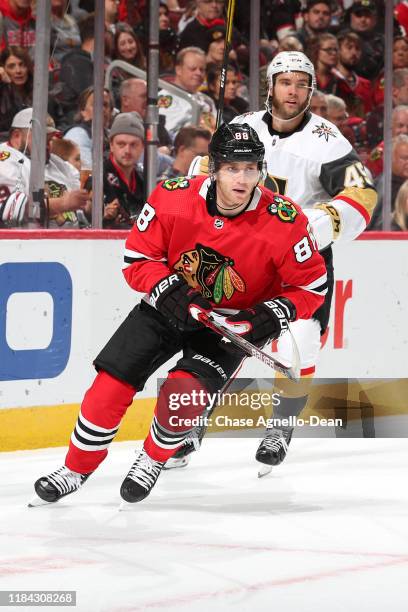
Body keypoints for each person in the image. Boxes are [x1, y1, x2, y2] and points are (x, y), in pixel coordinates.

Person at [31, 123, 327, 505]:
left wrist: (266, 317)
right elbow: (137, 258)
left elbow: (312, 286)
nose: (242, 178)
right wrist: (171, 290)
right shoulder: (172, 197)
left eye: (251, 168)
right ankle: (75, 468)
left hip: (227, 326)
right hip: (165, 309)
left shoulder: (284, 219)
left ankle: (152, 459)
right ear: (214, 168)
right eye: (233, 168)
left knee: (182, 395)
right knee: (107, 389)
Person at [183, 51, 377, 472]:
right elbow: (201, 177)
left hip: (301, 260)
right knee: (223, 338)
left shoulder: (328, 141)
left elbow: (363, 196)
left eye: (302, 84)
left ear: (311, 90)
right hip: (242, 255)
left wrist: (315, 224)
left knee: (300, 340)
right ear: (270, 85)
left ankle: (281, 425)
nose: (293, 91)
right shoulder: (241, 127)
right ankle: (194, 421)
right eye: (285, 82)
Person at [158, 46, 217, 137]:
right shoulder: (165, 98)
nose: (198, 73)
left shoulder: (207, 101)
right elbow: (167, 134)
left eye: (202, 70)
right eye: (193, 69)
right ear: (178, 70)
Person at [103, 112, 145, 229]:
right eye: (121, 144)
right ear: (111, 145)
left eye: (133, 145)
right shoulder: (98, 176)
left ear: (142, 146)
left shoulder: (143, 179)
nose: (127, 150)